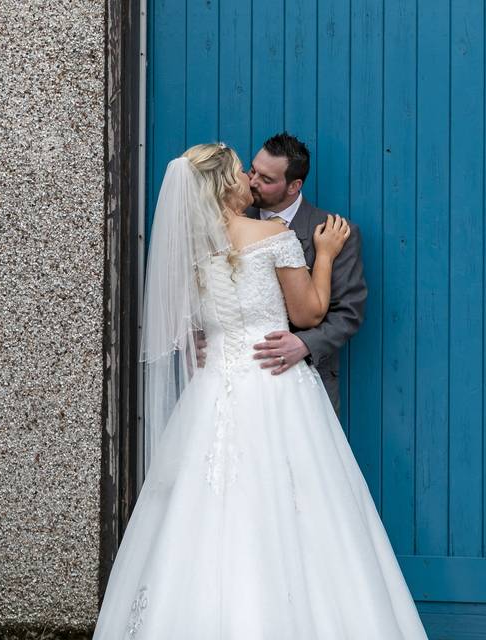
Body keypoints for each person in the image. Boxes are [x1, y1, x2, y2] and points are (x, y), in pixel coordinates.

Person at [92, 143, 428, 639]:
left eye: (262, 176)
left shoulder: (191, 245)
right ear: (229, 183)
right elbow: (311, 312)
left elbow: (191, 319)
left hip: (212, 394)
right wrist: (325, 255)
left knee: (205, 508)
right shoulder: (273, 234)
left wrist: (204, 339)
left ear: (294, 184)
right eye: (246, 172)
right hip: (276, 389)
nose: (251, 180)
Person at [245, 132, 366, 414]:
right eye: (253, 170)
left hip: (309, 379)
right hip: (243, 379)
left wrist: (304, 343)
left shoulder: (335, 231)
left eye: (267, 179)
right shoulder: (233, 219)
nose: (253, 182)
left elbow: (348, 312)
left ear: (294, 186)